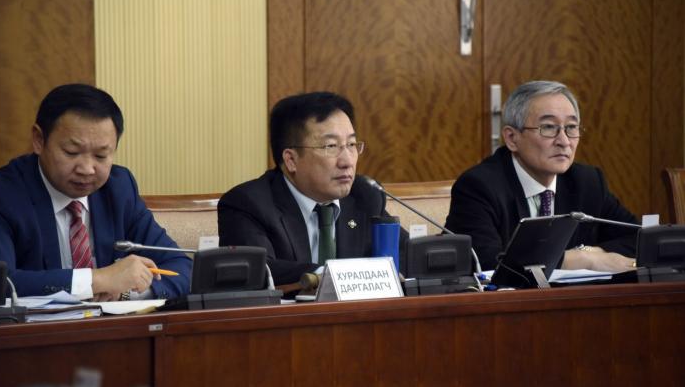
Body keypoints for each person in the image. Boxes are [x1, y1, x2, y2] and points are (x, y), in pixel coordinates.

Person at [0, 84, 191, 300]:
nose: (86, 169)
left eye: (101, 156)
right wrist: (97, 280)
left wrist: (126, 293)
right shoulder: (0, 195)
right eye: (71, 152)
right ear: (39, 140)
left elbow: (180, 267)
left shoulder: (119, 189)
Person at [446, 80, 638, 272]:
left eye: (571, 127)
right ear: (512, 138)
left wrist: (589, 252)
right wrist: (578, 260)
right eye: (548, 127)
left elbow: (639, 238)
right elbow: (485, 262)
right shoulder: (478, 186)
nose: (564, 141)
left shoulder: (587, 181)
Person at [218, 91, 406, 285]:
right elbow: (256, 270)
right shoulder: (249, 204)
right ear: (291, 160)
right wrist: (329, 275)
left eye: (351, 144)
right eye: (331, 146)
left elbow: (406, 255)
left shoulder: (365, 195)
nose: (347, 161)